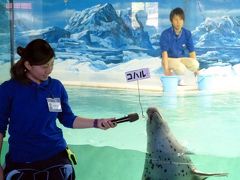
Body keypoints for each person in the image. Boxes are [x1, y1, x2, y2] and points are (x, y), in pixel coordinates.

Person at [0, 39, 117, 180]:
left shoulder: (56, 87)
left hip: (56, 156)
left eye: (51, 64)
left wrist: (97, 123)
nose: (49, 70)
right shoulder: (9, 90)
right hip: (22, 160)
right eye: (44, 66)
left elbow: (67, 118)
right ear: (28, 65)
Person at [160, 7, 199, 85]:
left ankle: (183, 73)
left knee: (196, 64)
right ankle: (178, 79)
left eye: (181, 19)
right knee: (181, 68)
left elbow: (192, 52)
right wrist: (166, 69)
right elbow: (164, 53)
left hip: (181, 59)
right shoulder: (165, 34)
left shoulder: (187, 33)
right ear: (171, 21)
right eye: (176, 19)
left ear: (183, 21)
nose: (178, 22)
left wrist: (196, 70)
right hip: (169, 59)